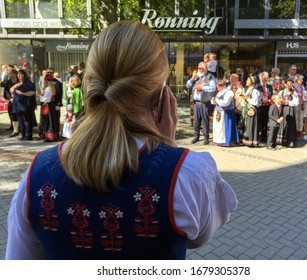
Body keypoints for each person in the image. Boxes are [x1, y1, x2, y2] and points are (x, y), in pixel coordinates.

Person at [6, 21, 237, 260]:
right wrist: (166, 150)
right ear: (161, 95)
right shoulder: (189, 173)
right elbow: (198, 236)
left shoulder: (37, 173)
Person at [186, 61, 216, 145]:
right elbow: (187, 85)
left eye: (201, 68)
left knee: (205, 120)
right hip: (196, 102)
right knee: (196, 120)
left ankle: (206, 137)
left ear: (205, 69)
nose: (199, 69)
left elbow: (213, 88)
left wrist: (202, 87)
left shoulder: (210, 77)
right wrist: (192, 78)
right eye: (198, 68)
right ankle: (196, 136)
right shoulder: (196, 77)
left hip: (205, 102)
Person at [211, 79, 239, 146]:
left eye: (220, 85)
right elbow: (215, 101)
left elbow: (226, 103)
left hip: (227, 112)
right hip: (219, 112)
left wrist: (217, 101)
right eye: (217, 85)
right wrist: (214, 100)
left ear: (224, 85)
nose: (218, 86)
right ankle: (219, 140)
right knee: (219, 127)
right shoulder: (219, 93)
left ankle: (226, 141)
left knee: (225, 127)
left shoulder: (229, 92)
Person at [10, 69, 36, 141]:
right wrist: (15, 86)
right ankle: (23, 135)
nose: (20, 75)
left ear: (24, 75)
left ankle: (28, 136)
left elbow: (32, 92)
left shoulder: (28, 83)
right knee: (20, 121)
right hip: (17, 105)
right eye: (18, 74)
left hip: (25, 105)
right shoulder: (18, 83)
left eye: (21, 74)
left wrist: (22, 93)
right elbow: (11, 90)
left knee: (26, 120)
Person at [277, 78, 299, 147]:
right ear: (285, 84)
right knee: (283, 124)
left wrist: (288, 102)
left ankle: (290, 142)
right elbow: (277, 100)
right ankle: (282, 141)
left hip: (290, 109)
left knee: (290, 125)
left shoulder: (294, 92)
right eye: (288, 84)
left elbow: (296, 102)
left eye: (291, 84)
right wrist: (281, 101)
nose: (290, 85)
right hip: (283, 109)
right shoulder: (282, 92)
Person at [38, 73, 59, 141]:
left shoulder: (47, 89)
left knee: (47, 121)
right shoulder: (52, 88)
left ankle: (48, 136)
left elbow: (45, 99)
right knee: (51, 121)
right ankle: (52, 135)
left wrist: (39, 96)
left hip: (47, 106)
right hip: (51, 106)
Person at [241, 75, 261, 147]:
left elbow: (255, 102)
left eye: (248, 80)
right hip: (247, 109)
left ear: (252, 82)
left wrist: (247, 99)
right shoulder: (248, 90)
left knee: (251, 125)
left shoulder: (254, 91)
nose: (246, 81)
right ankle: (247, 140)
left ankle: (252, 141)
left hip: (252, 111)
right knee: (247, 125)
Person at [257, 71, 273, 143]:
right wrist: (262, 100)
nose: (266, 79)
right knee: (258, 122)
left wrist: (269, 100)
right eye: (265, 77)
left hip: (267, 107)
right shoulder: (257, 86)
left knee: (265, 122)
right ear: (261, 77)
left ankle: (264, 137)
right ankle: (257, 137)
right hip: (260, 106)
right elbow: (256, 96)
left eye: (267, 77)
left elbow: (271, 95)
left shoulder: (269, 87)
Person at [293, 74, 307, 139]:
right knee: (295, 118)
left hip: (301, 104)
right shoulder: (293, 86)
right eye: (300, 79)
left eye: (302, 79)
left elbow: (305, 95)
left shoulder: (302, 87)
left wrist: (304, 97)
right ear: (296, 80)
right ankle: (294, 133)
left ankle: (299, 133)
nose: (302, 80)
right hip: (295, 104)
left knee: (300, 119)